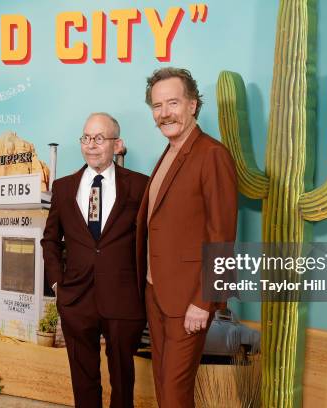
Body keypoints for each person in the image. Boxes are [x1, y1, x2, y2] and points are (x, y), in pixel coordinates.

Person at [136, 68, 238, 407]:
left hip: (189, 299)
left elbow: (222, 236)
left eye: (173, 103)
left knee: (175, 392)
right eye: (157, 105)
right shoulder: (169, 154)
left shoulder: (212, 154)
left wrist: (205, 301)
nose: (164, 113)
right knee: (165, 387)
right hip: (157, 292)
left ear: (192, 105)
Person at [41, 113, 148, 408]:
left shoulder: (140, 186)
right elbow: (50, 240)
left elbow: (151, 240)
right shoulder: (63, 188)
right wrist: (56, 283)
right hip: (76, 299)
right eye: (86, 138)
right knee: (83, 379)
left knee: (123, 380)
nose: (91, 145)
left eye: (99, 138)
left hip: (123, 300)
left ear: (117, 144)